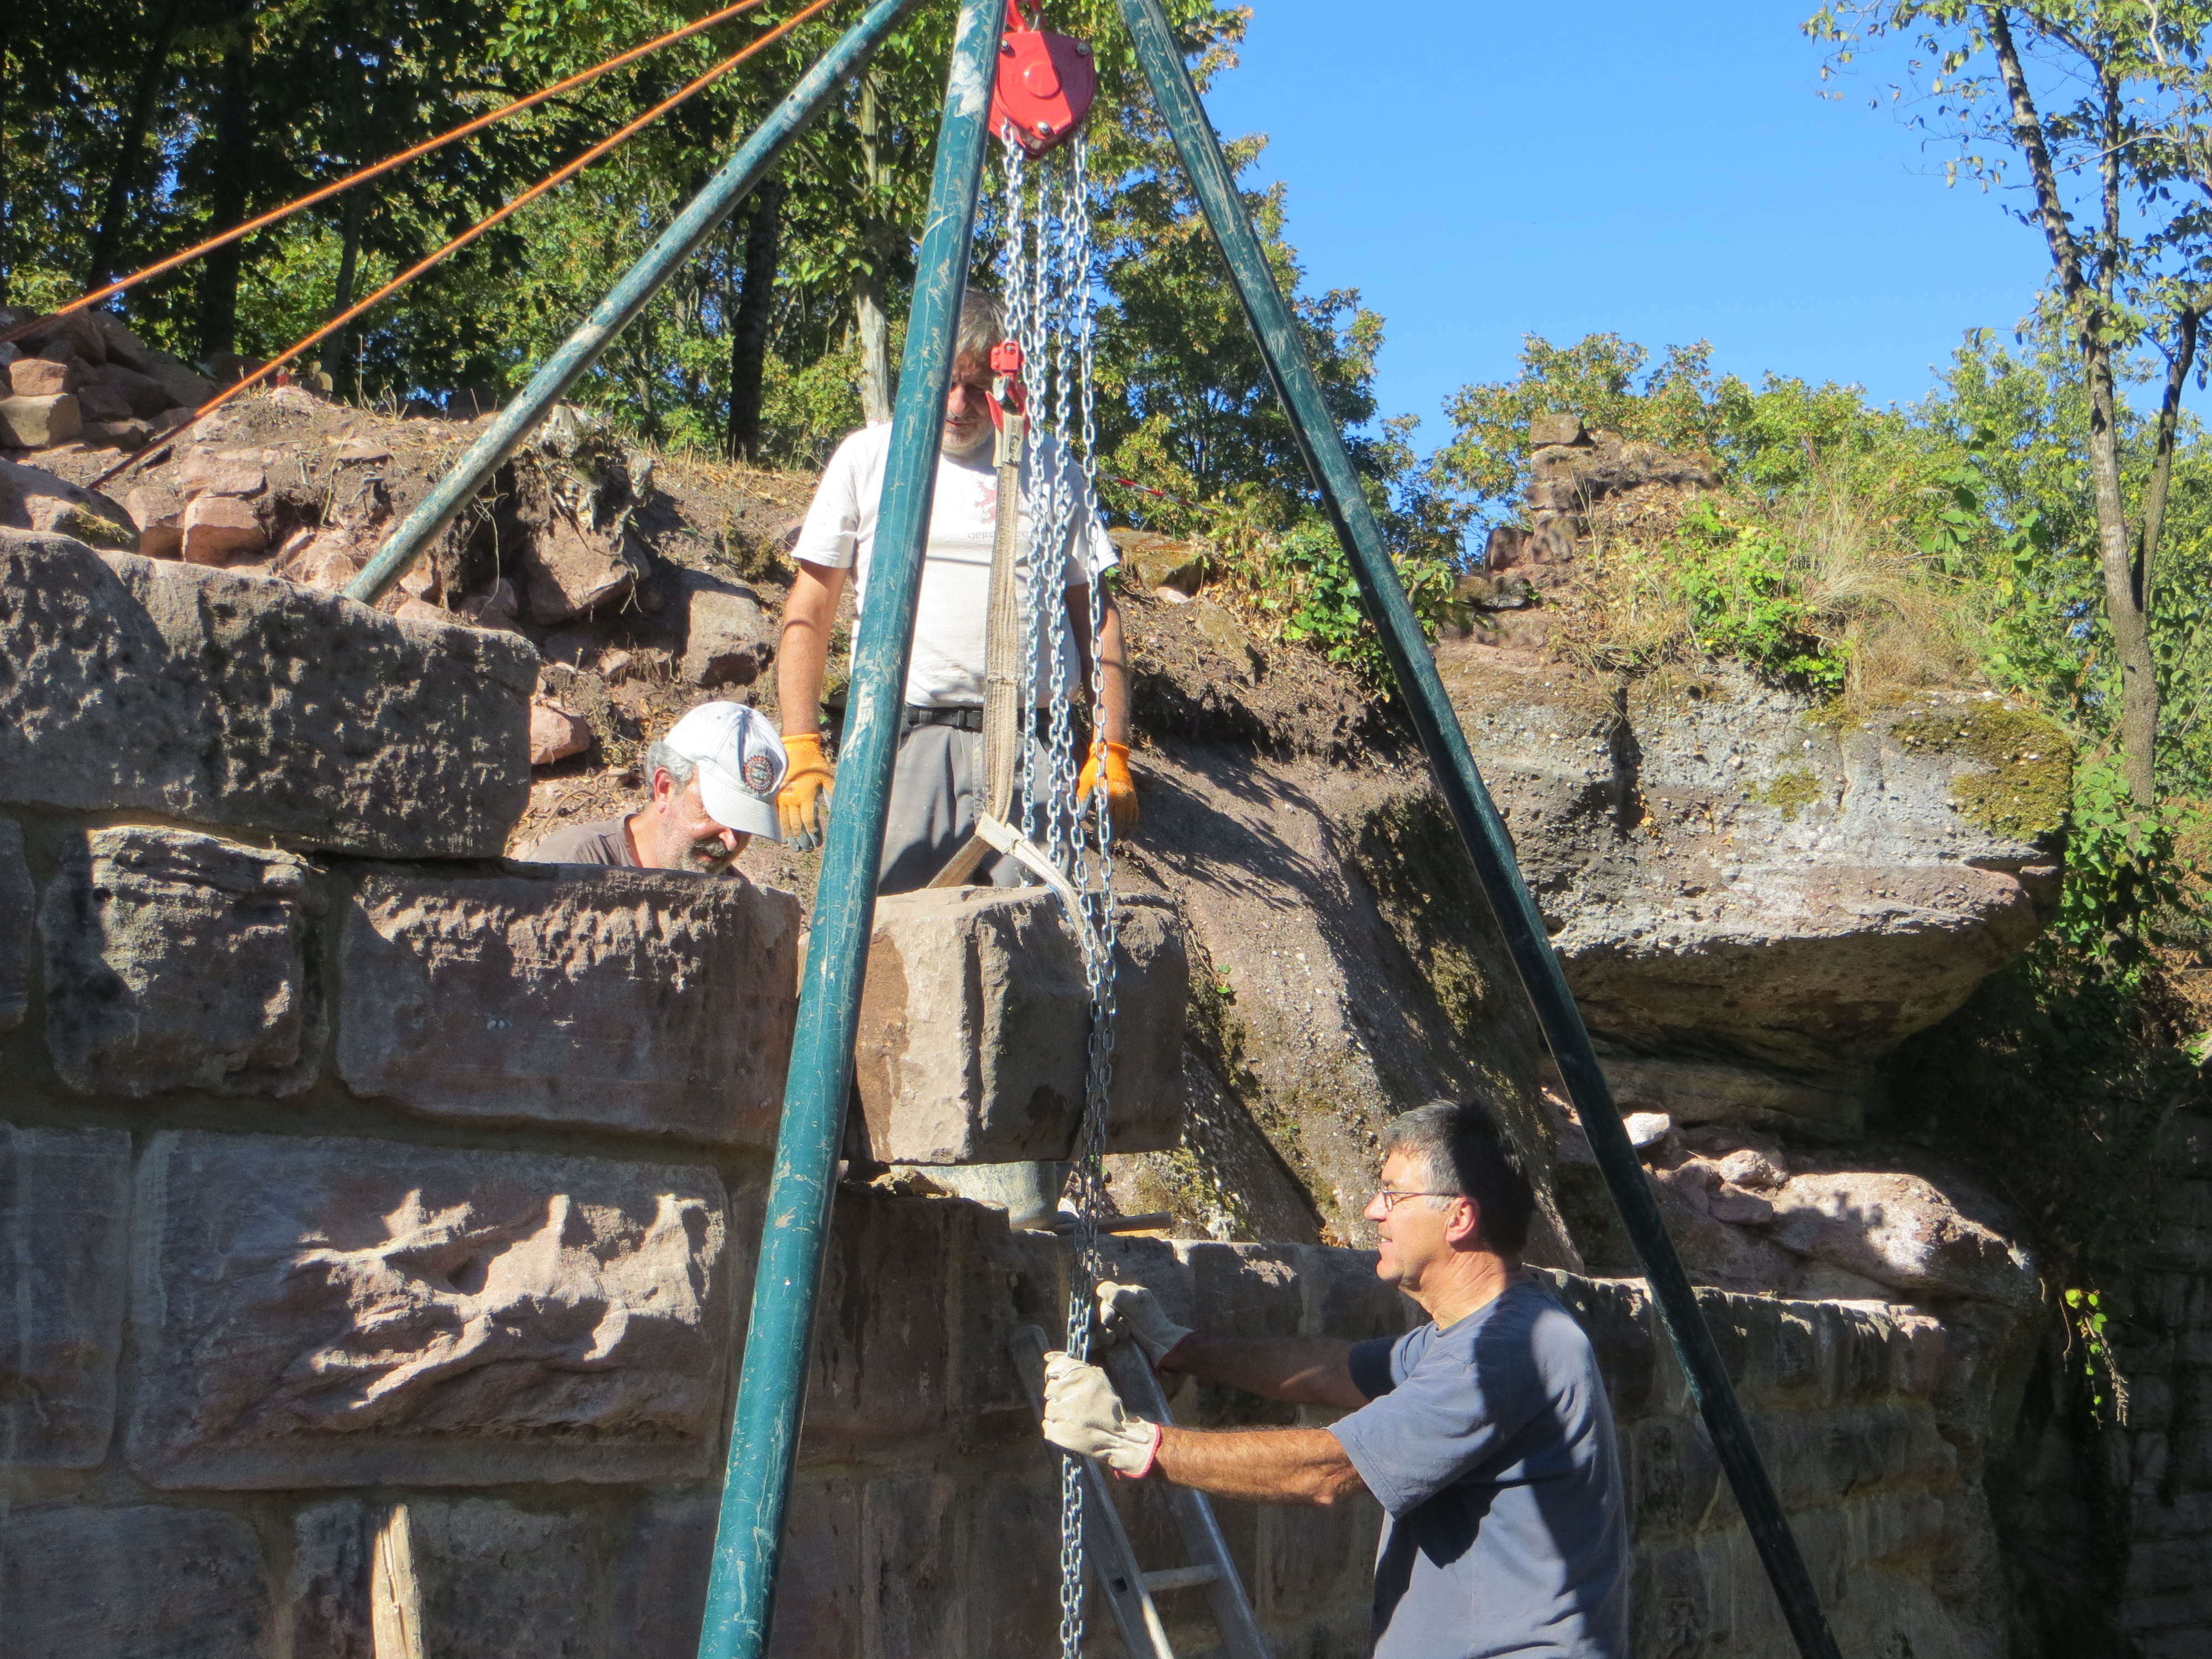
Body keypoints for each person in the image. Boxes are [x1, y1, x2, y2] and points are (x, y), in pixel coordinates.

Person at [1041, 1098, 1631, 1659]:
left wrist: (1133, 1442)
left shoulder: (1504, 1352)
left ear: (1459, 1217)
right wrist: (1181, 1346)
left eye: (1393, 1194)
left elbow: (1329, 1470)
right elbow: (1330, 1370)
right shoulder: (1476, 1332)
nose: (1373, 1210)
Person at [774, 285, 1135, 894]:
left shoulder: (1050, 468)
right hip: (905, 743)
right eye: (947, 382)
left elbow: (1097, 618)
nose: (958, 403)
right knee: (891, 930)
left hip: (1029, 743)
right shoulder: (871, 458)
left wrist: (1110, 749)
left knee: (1039, 937)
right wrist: (802, 746)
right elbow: (809, 609)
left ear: (1006, 379)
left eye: (977, 386)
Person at [530, 700, 787, 873]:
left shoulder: (733, 897)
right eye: (721, 813)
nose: (732, 843)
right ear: (665, 788)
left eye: (747, 824)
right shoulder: (574, 866)